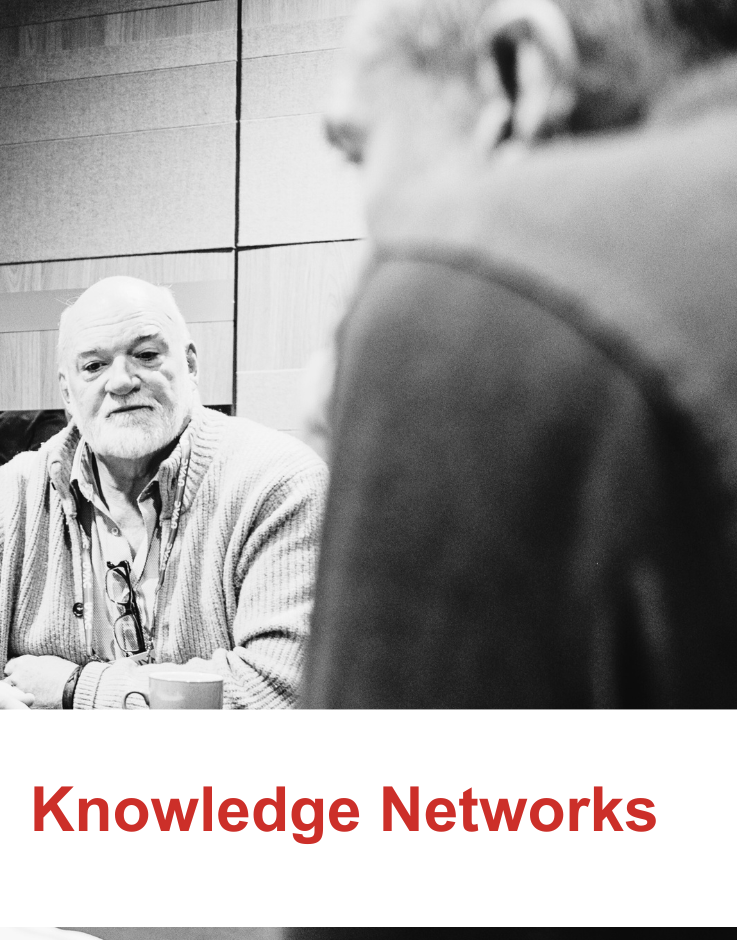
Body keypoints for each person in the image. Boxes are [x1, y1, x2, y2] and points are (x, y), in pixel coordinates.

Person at [305, 0, 737, 707]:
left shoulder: (475, 298)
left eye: (358, 150)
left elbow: (416, 806)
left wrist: (421, 354)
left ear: (520, 75)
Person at [0, 276, 327, 710]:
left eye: (146, 355)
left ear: (189, 365)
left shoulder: (278, 483)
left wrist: (76, 690)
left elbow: (280, 687)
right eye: (94, 365)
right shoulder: (13, 497)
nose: (121, 381)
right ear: (68, 393)